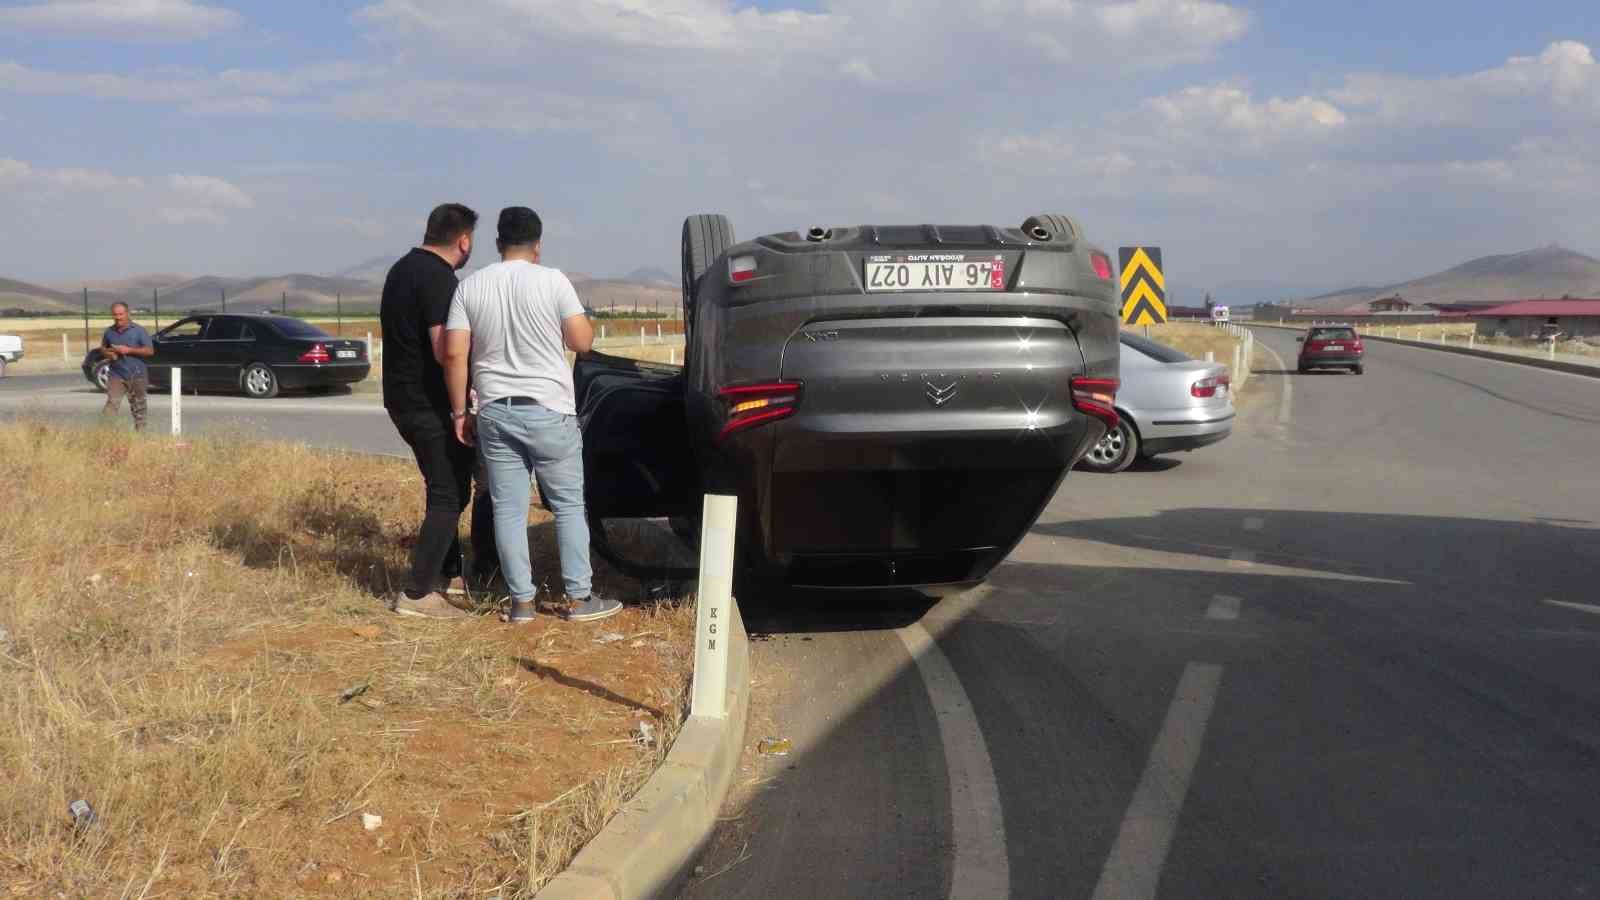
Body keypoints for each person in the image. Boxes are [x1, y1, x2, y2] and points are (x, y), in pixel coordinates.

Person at [444, 206, 619, 624]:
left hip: (495, 412)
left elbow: (454, 353)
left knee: (507, 509)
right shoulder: (553, 281)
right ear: (537, 244)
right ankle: (578, 598)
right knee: (569, 507)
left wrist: (459, 412)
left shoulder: (471, 286)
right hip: (548, 409)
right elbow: (582, 341)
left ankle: (521, 602)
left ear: (498, 242)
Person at [380, 203, 497, 619]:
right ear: (464, 241)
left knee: (441, 486)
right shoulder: (438, 279)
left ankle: (448, 572)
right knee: (450, 493)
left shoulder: (402, 269)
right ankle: (417, 594)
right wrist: (460, 408)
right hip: (428, 403)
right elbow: (445, 349)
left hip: (401, 397)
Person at [100, 302, 154, 431]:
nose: (118, 317)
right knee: (112, 403)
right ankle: (106, 434)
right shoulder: (109, 332)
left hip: (137, 374)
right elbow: (103, 348)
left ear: (127, 313)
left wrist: (129, 350)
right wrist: (108, 354)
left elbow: (150, 351)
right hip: (116, 375)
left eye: (121, 314)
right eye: (115, 314)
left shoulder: (139, 331)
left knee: (138, 407)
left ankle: (140, 435)